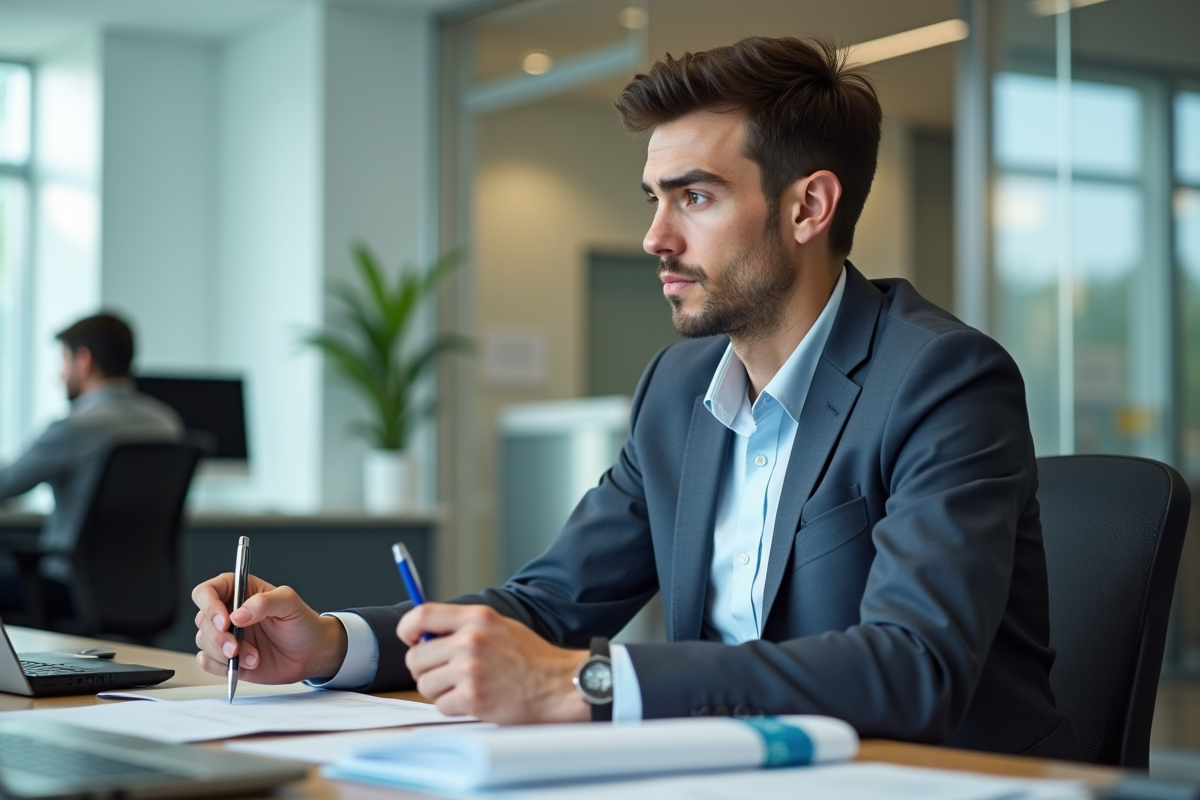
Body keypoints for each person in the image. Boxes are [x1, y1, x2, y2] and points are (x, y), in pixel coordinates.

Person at [192, 37, 1079, 758]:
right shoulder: (677, 389)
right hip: (731, 775)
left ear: (808, 207)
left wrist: (588, 683)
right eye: (655, 198)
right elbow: (550, 605)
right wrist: (335, 644)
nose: (654, 237)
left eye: (694, 197)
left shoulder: (941, 378)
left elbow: (915, 667)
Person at [0, 313, 183, 613]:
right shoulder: (167, 423)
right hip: (144, 589)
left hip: (69, 589)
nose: (60, 375)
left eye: (63, 362)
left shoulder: (73, 428)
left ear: (84, 361)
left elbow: (6, 484)